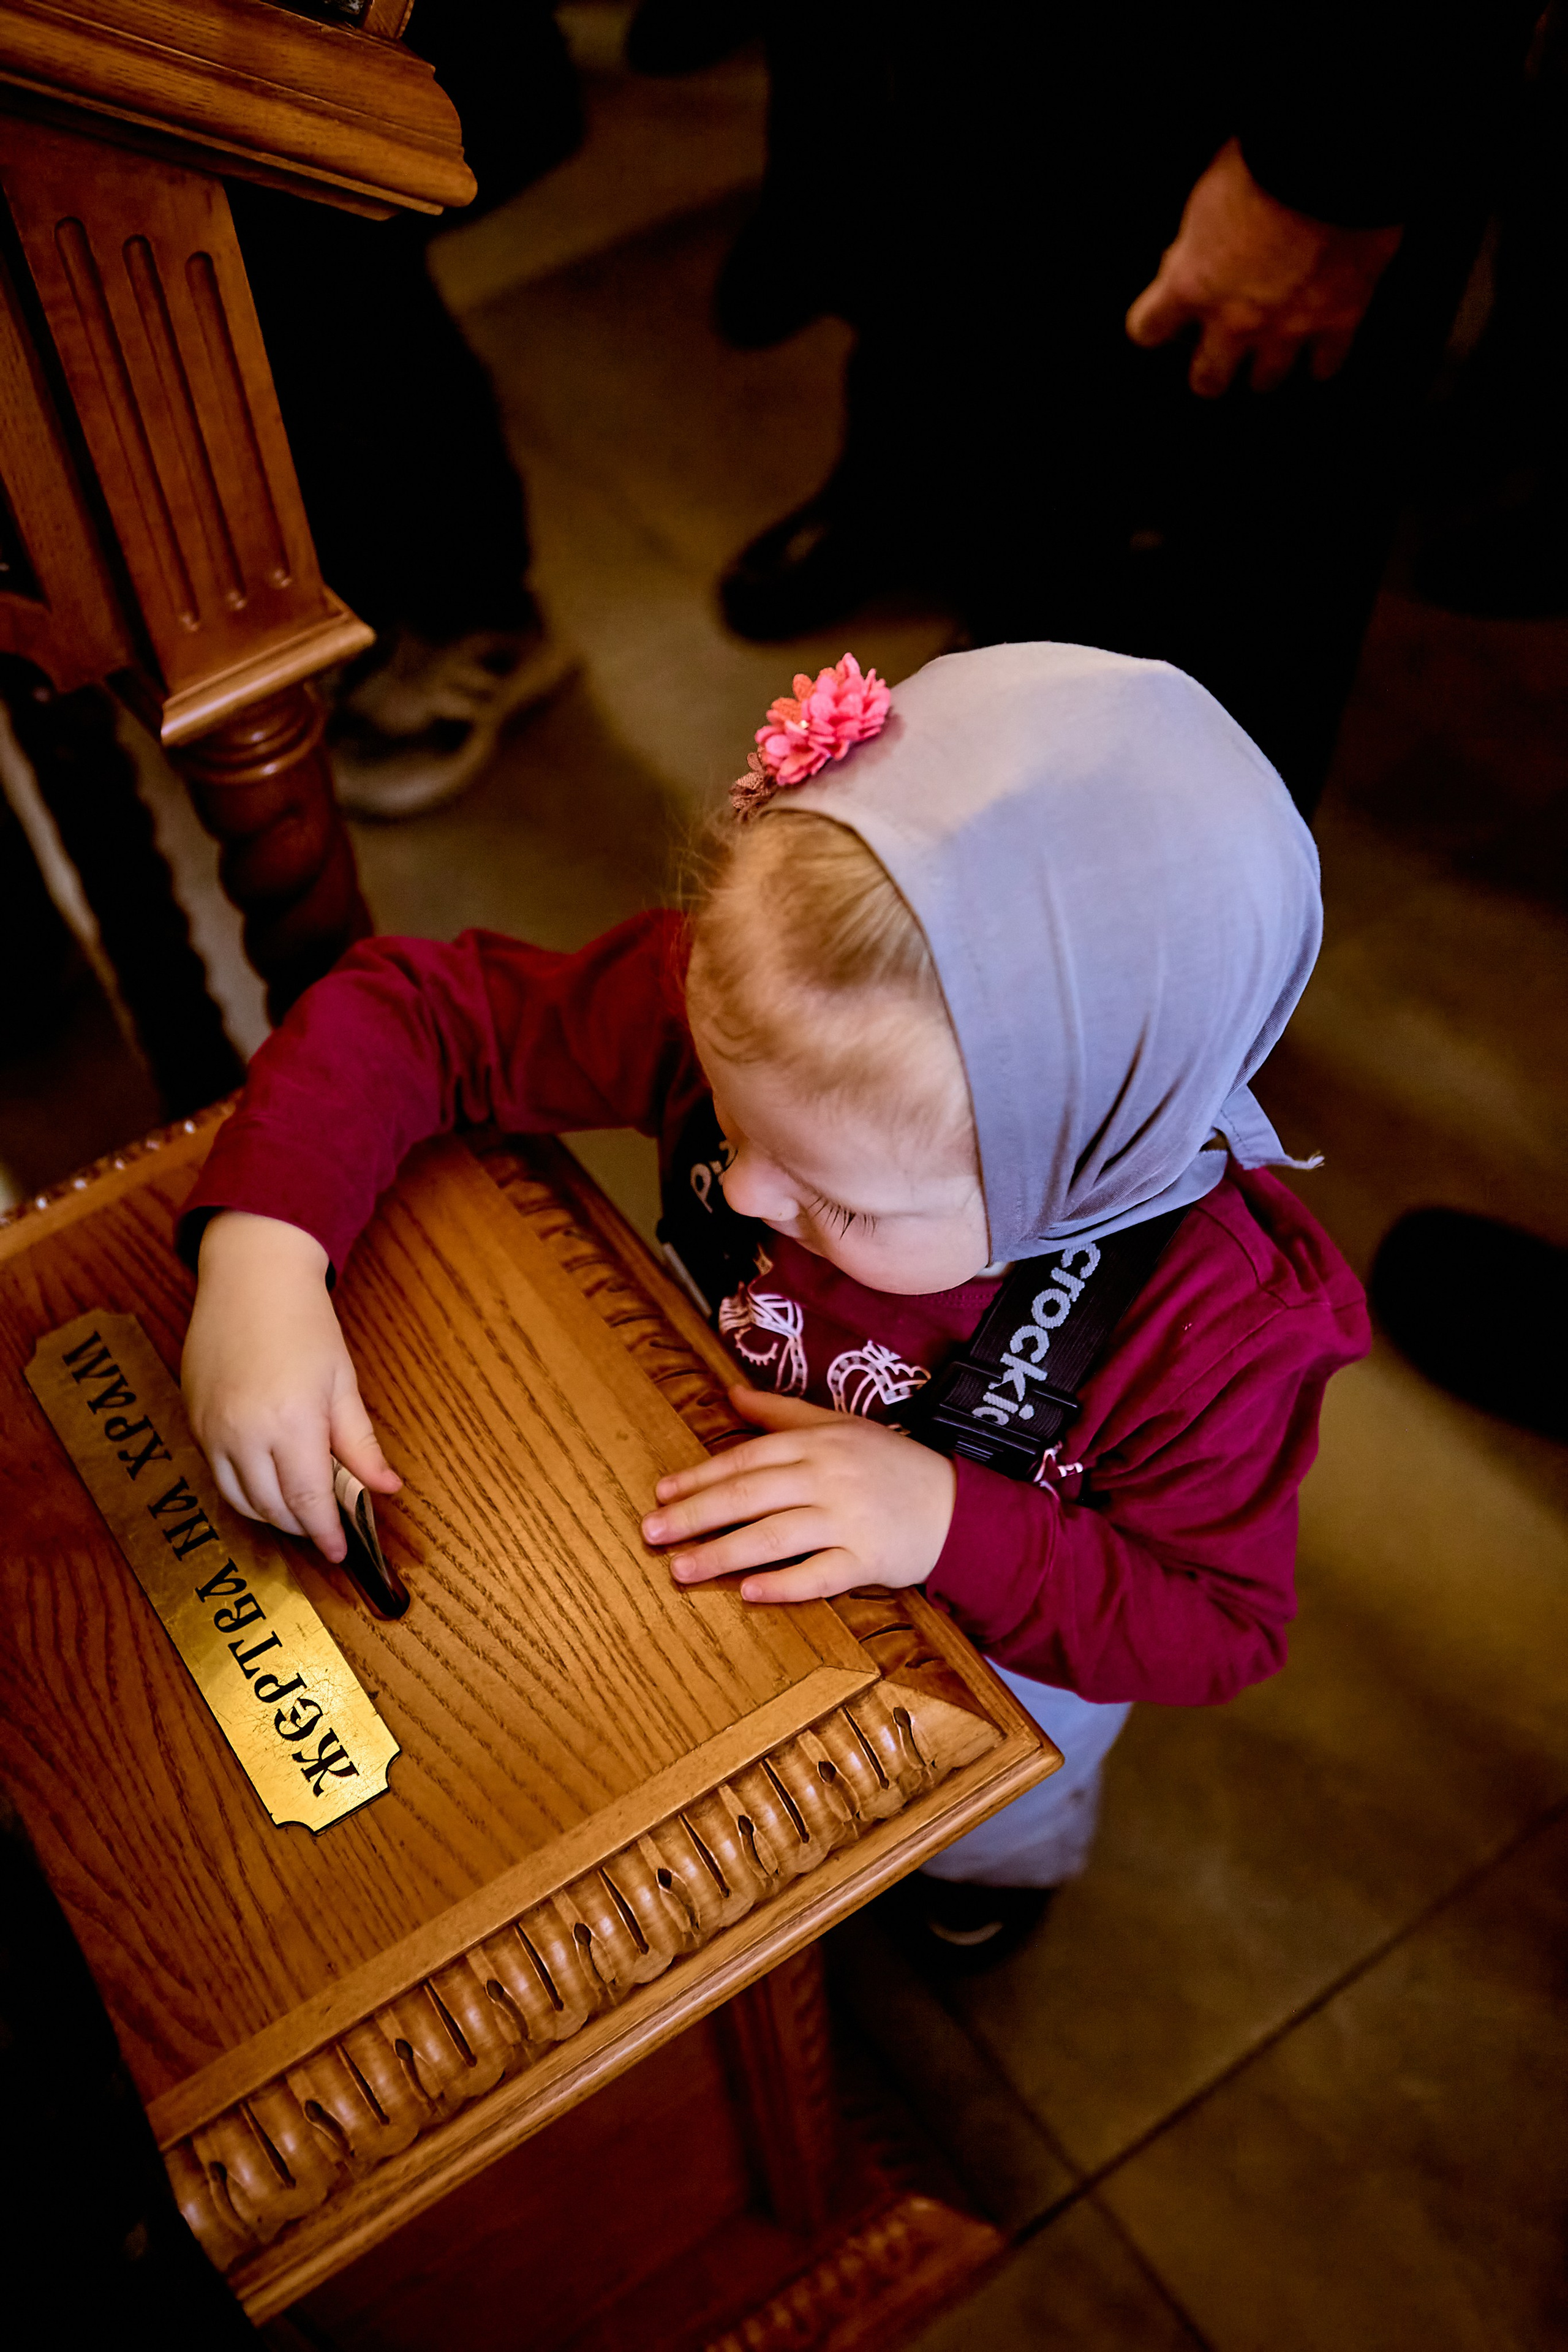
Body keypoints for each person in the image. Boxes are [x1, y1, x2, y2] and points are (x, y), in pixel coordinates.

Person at [178, 643, 1368, 1967]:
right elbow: (419, 1014)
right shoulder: (792, 1014)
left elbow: (1214, 1626)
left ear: (1079, 1170)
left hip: (990, 1681)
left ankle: (988, 1886)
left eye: (838, 1204)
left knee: (963, 1851)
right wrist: (266, 1252)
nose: (739, 1190)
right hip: (697, 1608)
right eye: (729, 1118)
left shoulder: (1211, 1332)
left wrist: (940, 1523)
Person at [715, 2, 1538, 816]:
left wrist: (1327, 169)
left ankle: (1123, 820)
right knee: (956, 259)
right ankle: (928, 513)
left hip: (1246, 95)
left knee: (1231, 526)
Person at [230, 0, 582, 819]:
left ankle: (477, 616)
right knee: (288, 277)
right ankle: (405, 603)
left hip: (395, 48)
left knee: (320, 258)